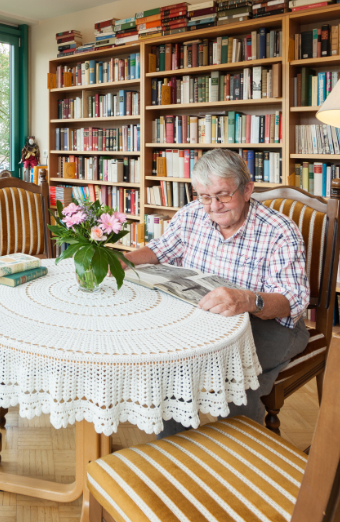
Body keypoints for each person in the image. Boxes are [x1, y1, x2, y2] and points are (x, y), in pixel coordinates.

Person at [122, 148, 310, 438]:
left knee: (235, 378)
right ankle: (175, 448)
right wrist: (120, 261)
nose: (214, 206)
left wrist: (249, 299)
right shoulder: (192, 215)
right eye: (204, 196)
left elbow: (293, 301)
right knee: (172, 365)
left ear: (247, 190)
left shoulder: (279, 230)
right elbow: (159, 251)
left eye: (223, 195)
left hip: (269, 324)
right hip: (207, 321)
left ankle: (245, 455)